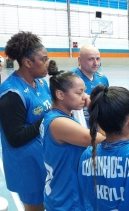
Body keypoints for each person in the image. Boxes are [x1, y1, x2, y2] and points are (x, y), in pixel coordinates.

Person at [0, 32, 52, 211]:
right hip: (28, 167)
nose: (48, 63)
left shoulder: (41, 83)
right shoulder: (12, 94)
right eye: (44, 59)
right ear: (28, 63)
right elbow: (16, 137)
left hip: (45, 160)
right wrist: (50, 118)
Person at [42, 60, 105, 210]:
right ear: (60, 94)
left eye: (84, 91)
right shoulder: (59, 123)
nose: (85, 97)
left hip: (62, 190)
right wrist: (95, 109)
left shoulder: (56, 116)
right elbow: (101, 139)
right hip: (68, 199)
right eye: (79, 92)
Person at [72, 44, 109, 124]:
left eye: (98, 59)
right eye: (91, 59)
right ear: (80, 60)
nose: (95, 63)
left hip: (99, 126)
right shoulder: (70, 79)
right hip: (78, 128)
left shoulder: (103, 79)